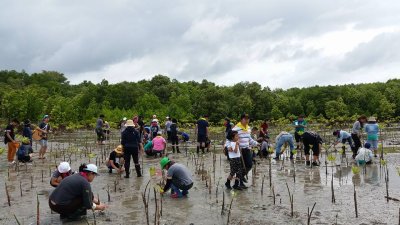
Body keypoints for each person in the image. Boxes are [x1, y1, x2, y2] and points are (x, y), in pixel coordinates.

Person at [232, 113, 258, 186]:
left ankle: (241, 176)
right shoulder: (236, 128)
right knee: (240, 167)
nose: (247, 120)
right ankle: (239, 183)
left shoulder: (248, 128)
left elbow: (249, 139)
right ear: (241, 119)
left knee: (249, 165)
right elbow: (231, 139)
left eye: (248, 119)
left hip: (247, 149)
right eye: (245, 119)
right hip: (239, 150)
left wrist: (256, 143)